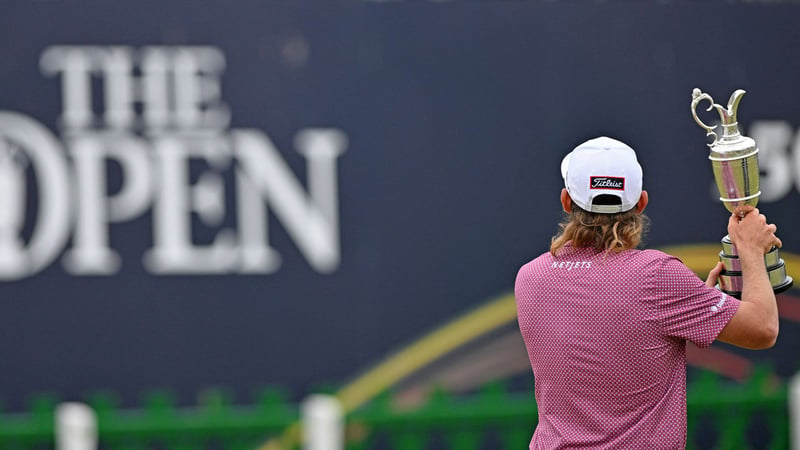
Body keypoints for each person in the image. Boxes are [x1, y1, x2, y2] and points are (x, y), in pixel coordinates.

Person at [514, 136, 780, 449]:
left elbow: (614, 331)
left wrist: (692, 306)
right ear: (641, 203)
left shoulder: (530, 278)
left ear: (566, 201)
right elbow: (763, 329)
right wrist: (749, 248)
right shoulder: (658, 277)